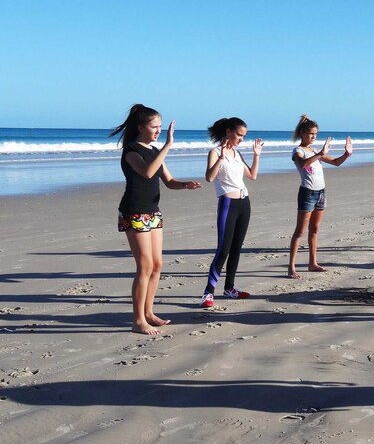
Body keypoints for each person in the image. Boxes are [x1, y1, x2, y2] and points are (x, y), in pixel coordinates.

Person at [110, 104, 201, 335]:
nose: (158, 131)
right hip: (134, 211)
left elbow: (168, 181)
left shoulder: (154, 150)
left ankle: (149, 312)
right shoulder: (132, 150)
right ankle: (137, 320)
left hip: (153, 211)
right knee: (145, 266)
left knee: (157, 265)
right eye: (154, 127)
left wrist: (185, 185)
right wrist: (169, 145)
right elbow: (148, 172)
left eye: (160, 127)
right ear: (141, 127)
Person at [199, 117, 263, 308]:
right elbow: (209, 178)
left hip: (244, 203)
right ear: (228, 132)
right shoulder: (215, 152)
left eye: (244, 135)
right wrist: (220, 158)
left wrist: (256, 155)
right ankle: (208, 293)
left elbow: (252, 176)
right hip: (227, 203)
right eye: (239, 134)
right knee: (223, 249)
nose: (241, 139)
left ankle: (229, 288)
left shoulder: (237, 154)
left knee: (236, 248)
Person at [287, 115, 352, 278]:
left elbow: (336, 162)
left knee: (315, 229)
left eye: (315, 134)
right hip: (307, 193)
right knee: (300, 231)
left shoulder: (315, 151)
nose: (313, 137)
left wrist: (347, 154)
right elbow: (303, 164)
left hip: (321, 193)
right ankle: (291, 267)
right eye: (311, 134)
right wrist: (320, 153)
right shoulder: (298, 151)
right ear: (302, 133)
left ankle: (312, 263)